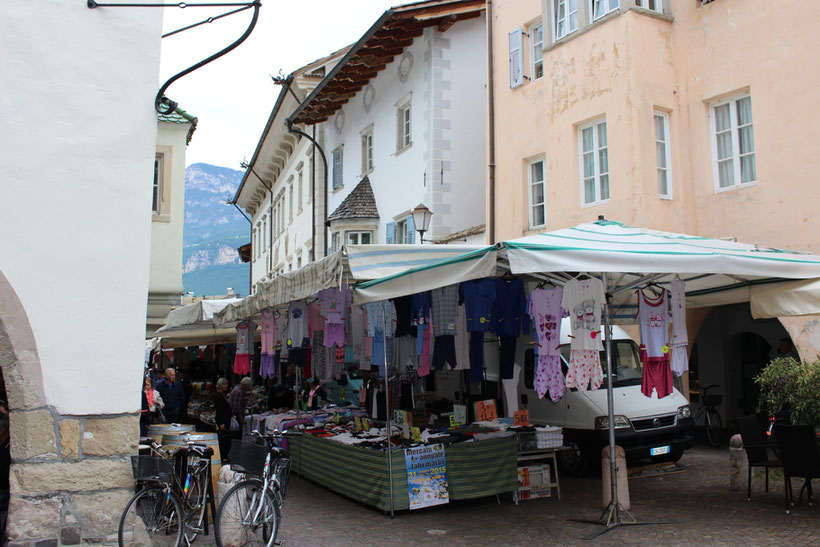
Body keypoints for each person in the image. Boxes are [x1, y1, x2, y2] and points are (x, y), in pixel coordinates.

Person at [213, 378, 232, 461]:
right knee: (224, 439)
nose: (226, 386)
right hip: (223, 421)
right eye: (225, 384)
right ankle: (223, 456)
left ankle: (225, 455)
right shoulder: (218, 396)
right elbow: (219, 410)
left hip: (226, 420)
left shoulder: (222, 395)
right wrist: (221, 423)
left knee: (226, 438)